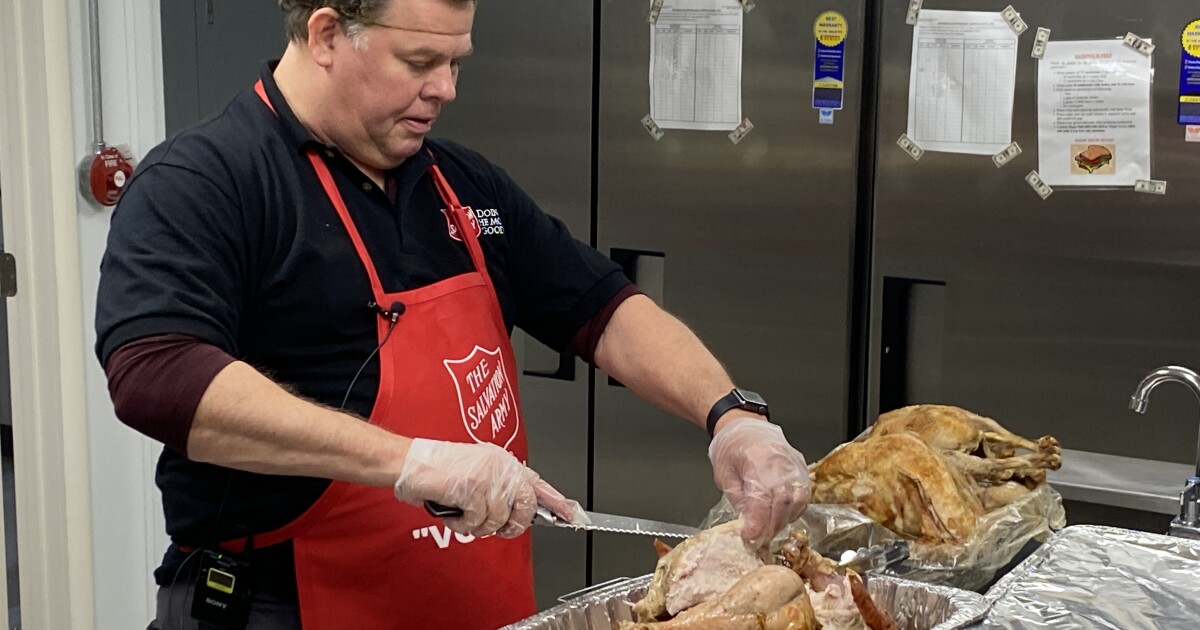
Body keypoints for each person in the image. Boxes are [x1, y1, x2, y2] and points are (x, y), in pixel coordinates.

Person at [95, 0, 811, 628]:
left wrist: (732, 415)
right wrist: (411, 462)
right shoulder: (205, 181)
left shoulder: (461, 184)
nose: (445, 88)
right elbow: (158, 375)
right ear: (325, 35)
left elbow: (600, 306)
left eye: (455, 61)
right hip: (284, 607)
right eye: (420, 60)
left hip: (473, 603)